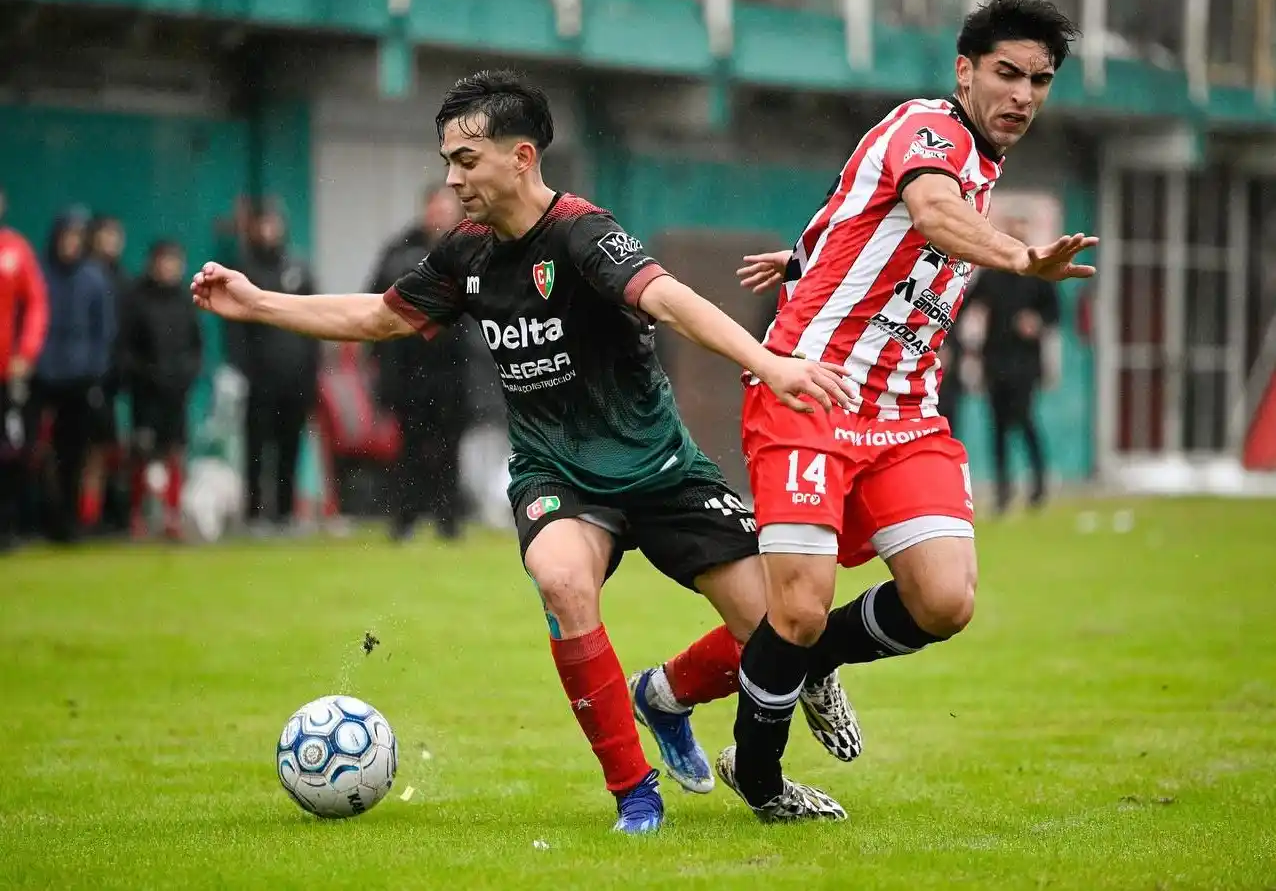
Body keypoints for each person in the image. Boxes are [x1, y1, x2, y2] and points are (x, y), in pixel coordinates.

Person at [193, 69, 858, 833]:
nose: (453, 178)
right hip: (557, 473)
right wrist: (257, 302)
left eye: (466, 159)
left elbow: (668, 299)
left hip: (660, 468)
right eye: (447, 161)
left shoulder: (583, 233)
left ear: (521, 157)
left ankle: (666, 696)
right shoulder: (464, 254)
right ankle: (634, 793)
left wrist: (771, 364)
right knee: (562, 581)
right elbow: (380, 316)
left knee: (779, 628)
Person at [725, 0, 1095, 819]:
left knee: (944, 599)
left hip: (903, 409)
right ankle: (759, 777)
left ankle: (808, 663)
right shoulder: (931, 128)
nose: (1023, 94)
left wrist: (803, 257)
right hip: (810, 389)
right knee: (797, 607)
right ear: (965, 71)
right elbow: (928, 209)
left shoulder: (978, 164)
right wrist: (1021, 257)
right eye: (1006, 73)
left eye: (1039, 80)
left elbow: (866, 217)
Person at [365, 186, 468, 541]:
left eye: (447, 209)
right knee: (409, 448)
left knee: (449, 449)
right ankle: (405, 519)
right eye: (436, 208)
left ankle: (448, 520)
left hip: (455, 373)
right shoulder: (399, 253)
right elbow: (374, 306)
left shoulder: (474, 249)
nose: (441, 215)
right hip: (409, 372)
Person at [228, 204, 320, 533]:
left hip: (295, 378)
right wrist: (242, 370)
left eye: (273, 223)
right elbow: (235, 329)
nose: (269, 231)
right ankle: (254, 514)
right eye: (263, 224)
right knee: (256, 447)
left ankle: (284, 513)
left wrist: (312, 373)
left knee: (289, 446)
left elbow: (315, 320)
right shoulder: (244, 271)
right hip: (259, 379)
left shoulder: (298, 268)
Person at [963, 215, 1060, 513]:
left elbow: (1055, 313)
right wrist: (964, 344)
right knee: (998, 427)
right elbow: (964, 304)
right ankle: (1003, 490)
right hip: (995, 361)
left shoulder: (1038, 273)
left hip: (1025, 363)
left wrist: (1037, 322)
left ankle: (1039, 484)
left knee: (1025, 420)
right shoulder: (992, 273)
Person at [32, 210, 117, 543]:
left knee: (74, 454)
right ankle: (35, 519)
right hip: (41, 377)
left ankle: (70, 521)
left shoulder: (94, 278)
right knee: (32, 451)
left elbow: (104, 331)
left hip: (80, 380)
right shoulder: (40, 273)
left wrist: (94, 371)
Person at [121, 240, 203, 539]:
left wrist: (186, 375)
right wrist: (145, 375)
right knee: (142, 453)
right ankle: (137, 515)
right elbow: (125, 348)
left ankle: (172, 516)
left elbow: (196, 346)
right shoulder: (136, 299)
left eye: (174, 261)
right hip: (146, 392)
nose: (169, 267)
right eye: (164, 261)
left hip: (176, 393)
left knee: (175, 452)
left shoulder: (185, 301)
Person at [0, 188, 48, 552]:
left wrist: (25, 353)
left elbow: (36, 304)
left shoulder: (14, 250)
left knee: (11, 450)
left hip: (6, 374)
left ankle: (8, 526)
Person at [84, 215, 130, 532]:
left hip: (114, 377)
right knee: (84, 452)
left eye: (115, 236)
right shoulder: (84, 275)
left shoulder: (123, 280)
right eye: (105, 235)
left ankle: (107, 515)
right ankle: (82, 516)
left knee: (108, 449)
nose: (111, 242)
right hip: (82, 376)